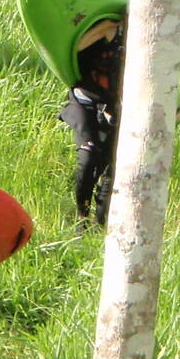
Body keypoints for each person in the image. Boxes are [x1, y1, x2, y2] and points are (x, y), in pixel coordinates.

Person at [60, 17, 124, 224]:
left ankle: (101, 222)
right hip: (84, 100)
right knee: (88, 159)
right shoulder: (107, 28)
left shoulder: (142, 42)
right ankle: (81, 217)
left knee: (111, 167)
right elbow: (76, 47)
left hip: (115, 106)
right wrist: (108, 27)